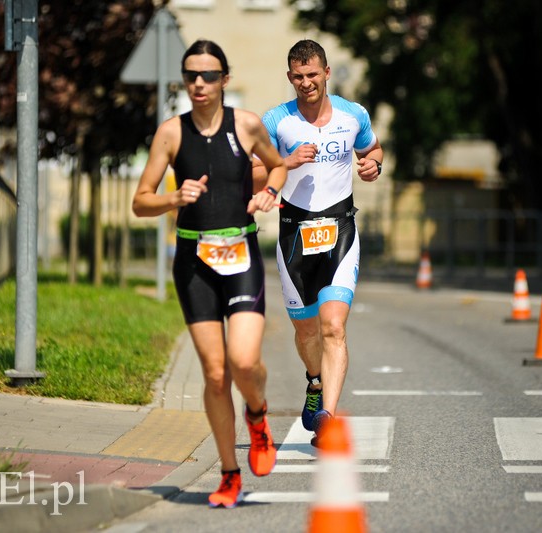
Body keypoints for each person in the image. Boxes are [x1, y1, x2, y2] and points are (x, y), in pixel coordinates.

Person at [132, 39, 287, 508]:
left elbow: (277, 168)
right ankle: (228, 473)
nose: (199, 83)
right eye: (191, 75)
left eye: (209, 75)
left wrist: (268, 195)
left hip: (240, 255)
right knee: (216, 373)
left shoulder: (247, 125)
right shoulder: (170, 134)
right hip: (193, 261)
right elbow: (141, 201)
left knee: (243, 361)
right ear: (185, 80)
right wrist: (173, 200)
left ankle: (257, 416)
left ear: (225, 79)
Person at [255, 39, 384, 446]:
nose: (306, 83)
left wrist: (373, 164)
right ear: (290, 77)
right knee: (307, 332)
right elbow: (253, 173)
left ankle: (327, 416)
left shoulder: (353, 115)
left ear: (326, 72)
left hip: (341, 229)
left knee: (333, 327)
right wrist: (285, 162)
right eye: (298, 77)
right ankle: (314, 382)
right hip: (294, 233)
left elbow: (373, 149)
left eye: (313, 75)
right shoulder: (276, 121)